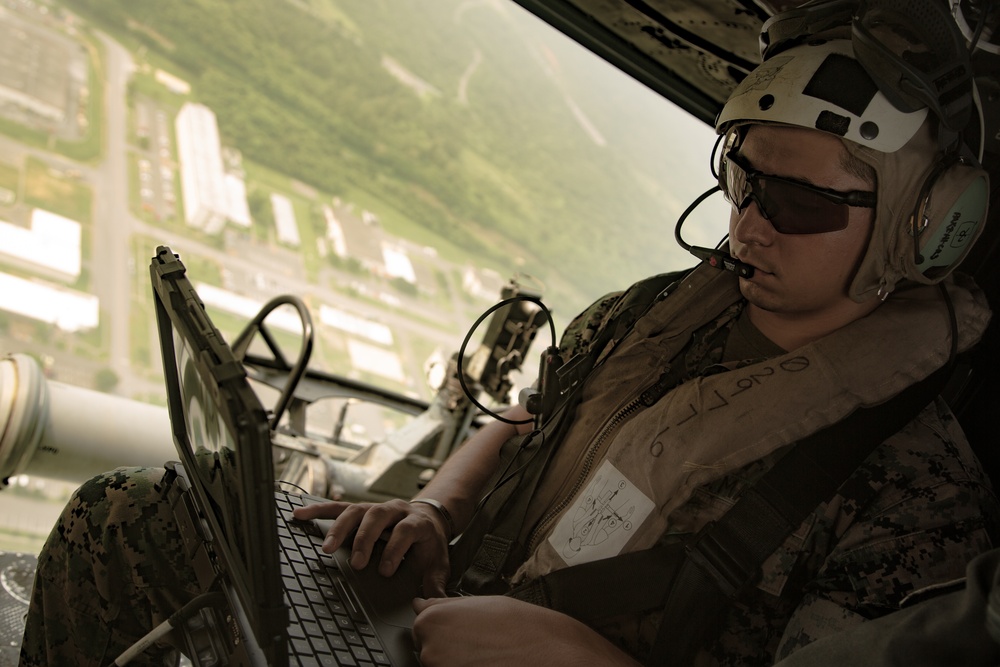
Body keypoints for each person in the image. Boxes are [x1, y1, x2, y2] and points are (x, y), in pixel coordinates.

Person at [19, 2, 1000, 665]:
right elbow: (536, 414)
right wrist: (434, 513)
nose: (747, 223)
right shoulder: (668, 306)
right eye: (743, 178)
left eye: (797, 203)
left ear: (926, 222)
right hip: (434, 607)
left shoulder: (918, 494)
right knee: (129, 512)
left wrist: (573, 656)